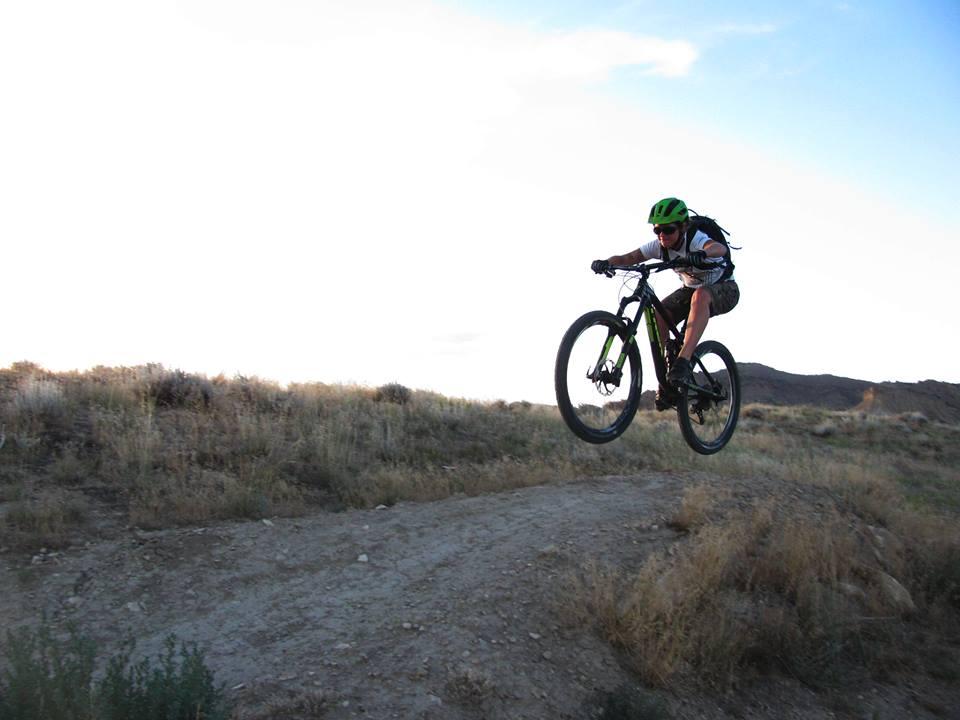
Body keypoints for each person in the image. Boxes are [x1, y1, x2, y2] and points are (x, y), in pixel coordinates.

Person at [590, 197, 740, 410]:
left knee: (701, 297)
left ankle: (683, 361)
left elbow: (718, 249)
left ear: (683, 226)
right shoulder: (660, 246)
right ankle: (667, 382)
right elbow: (628, 257)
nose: (662, 235)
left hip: (725, 288)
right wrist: (606, 263)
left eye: (668, 230)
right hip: (690, 290)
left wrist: (702, 254)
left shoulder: (696, 239)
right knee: (659, 313)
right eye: (657, 230)